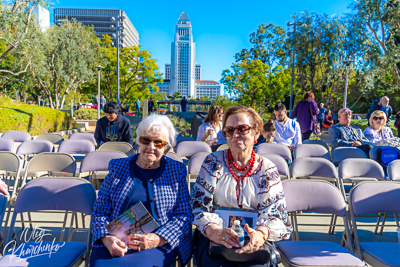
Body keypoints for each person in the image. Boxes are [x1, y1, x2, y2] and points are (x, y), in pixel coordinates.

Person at [191, 106, 292, 267]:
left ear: (256, 134)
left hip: (255, 239)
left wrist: (260, 234)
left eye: (242, 129)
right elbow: (198, 207)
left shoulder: (268, 169)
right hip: (215, 237)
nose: (235, 134)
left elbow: (277, 217)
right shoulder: (212, 163)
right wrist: (213, 231)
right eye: (229, 130)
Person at [90, 114, 193, 267]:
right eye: (146, 140)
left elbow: (184, 215)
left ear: (167, 148)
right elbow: (99, 211)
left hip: (158, 244)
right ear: (138, 141)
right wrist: (107, 239)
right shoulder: (118, 167)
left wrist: (157, 239)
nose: (151, 147)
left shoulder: (176, 170)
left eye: (158, 143)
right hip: (115, 243)